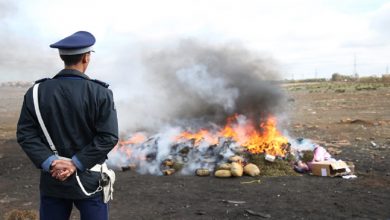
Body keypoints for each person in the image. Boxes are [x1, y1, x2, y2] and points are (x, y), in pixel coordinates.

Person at [16, 31, 118, 220]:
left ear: (62, 57)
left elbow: (26, 135)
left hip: (53, 178)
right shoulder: (100, 93)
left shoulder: (36, 92)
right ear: (86, 57)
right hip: (90, 181)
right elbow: (108, 137)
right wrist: (75, 164)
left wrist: (51, 163)